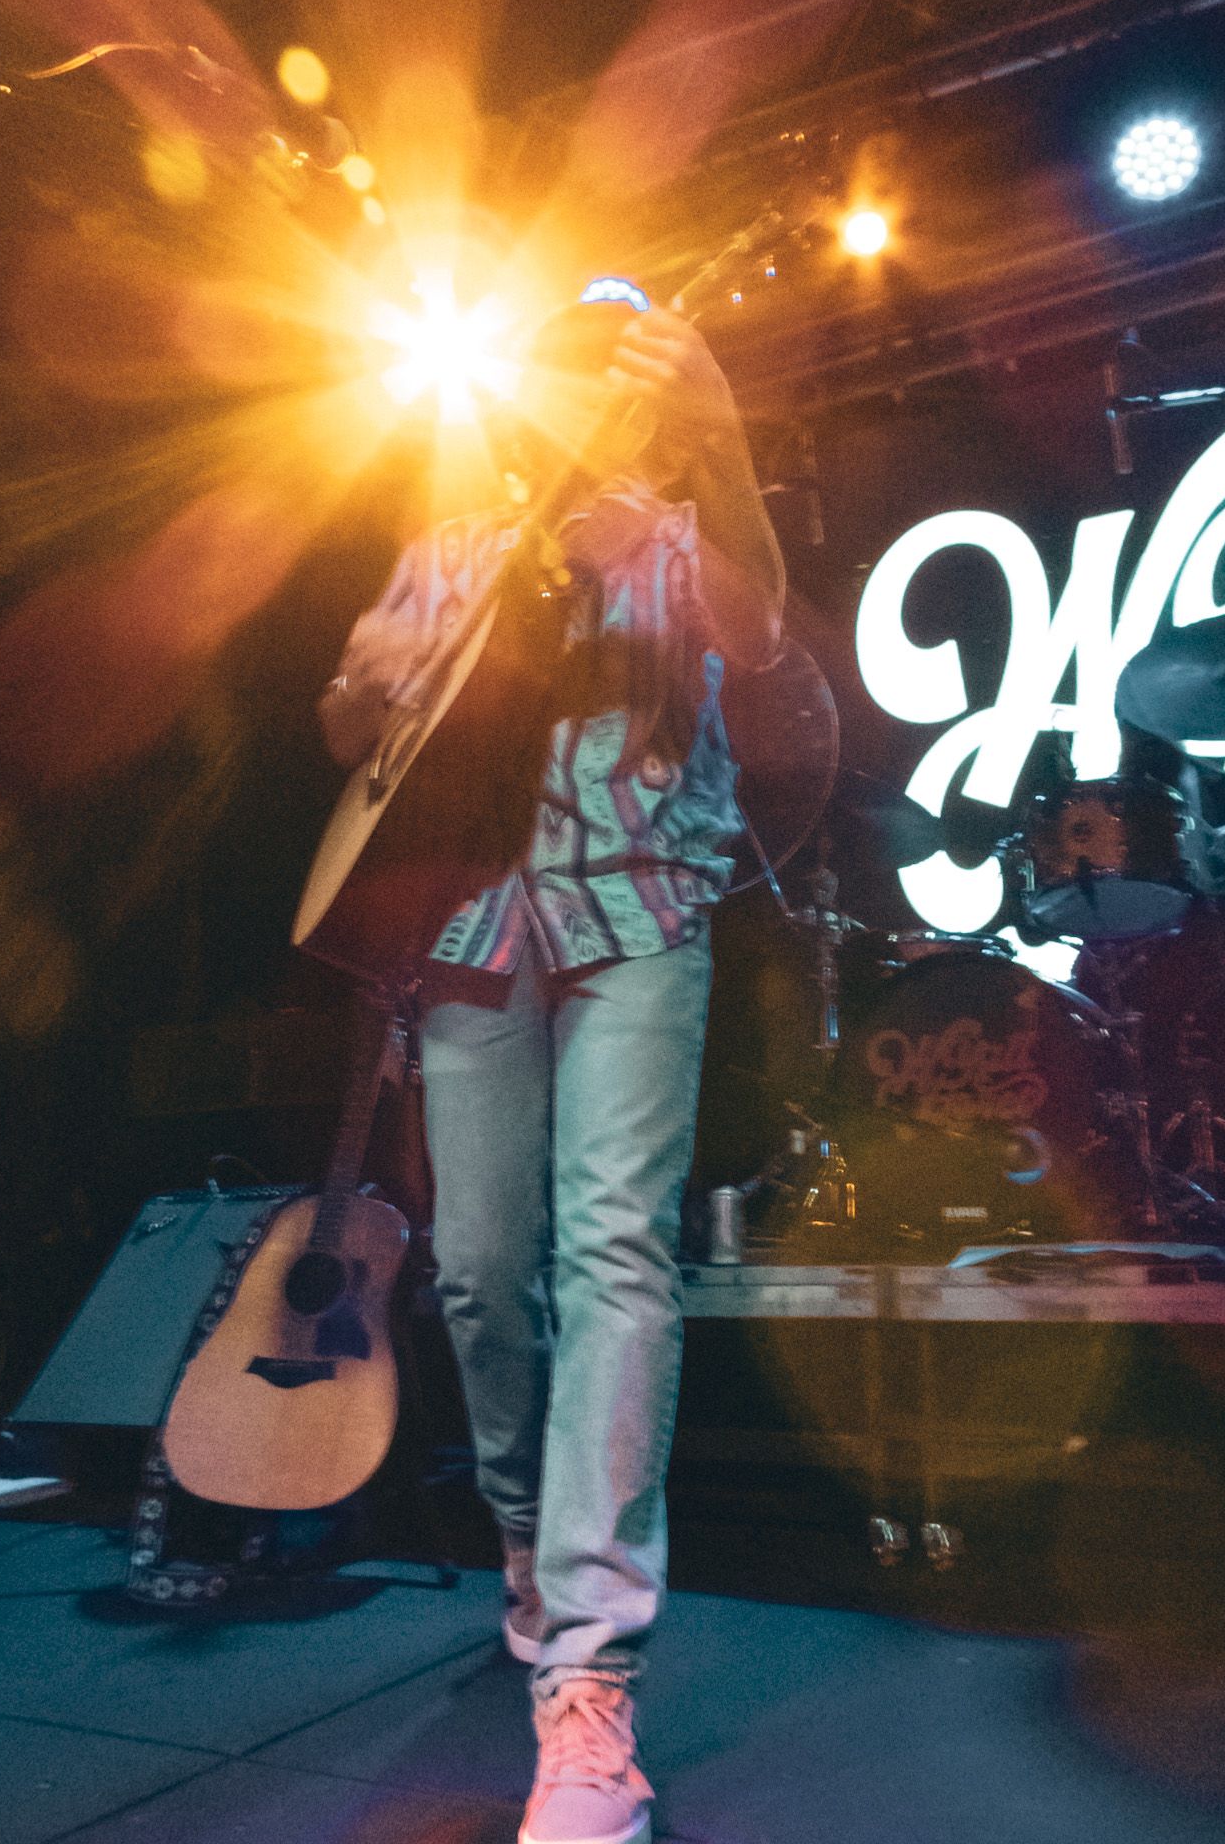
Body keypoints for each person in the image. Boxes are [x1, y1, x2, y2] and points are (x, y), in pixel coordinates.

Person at [317, 293, 784, 1844]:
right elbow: (349, 723)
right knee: (475, 1270)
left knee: (613, 1255)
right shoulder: (455, 540)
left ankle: (591, 1679)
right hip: (472, 927)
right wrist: (372, 686)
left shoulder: (675, 534)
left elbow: (760, 636)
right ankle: (528, 1536)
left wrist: (719, 432)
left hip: (641, 914)